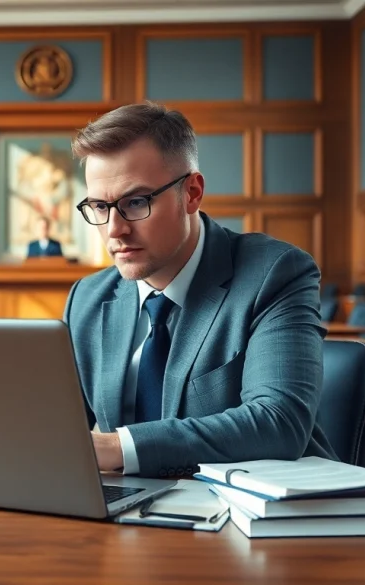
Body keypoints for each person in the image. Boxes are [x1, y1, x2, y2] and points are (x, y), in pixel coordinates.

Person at [63, 102, 335, 479]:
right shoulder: (87, 299)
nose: (114, 230)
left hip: (251, 519)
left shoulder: (275, 273)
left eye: (136, 202)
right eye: (99, 206)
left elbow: (278, 422)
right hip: (125, 514)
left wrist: (117, 446)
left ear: (191, 192)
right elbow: (56, 429)